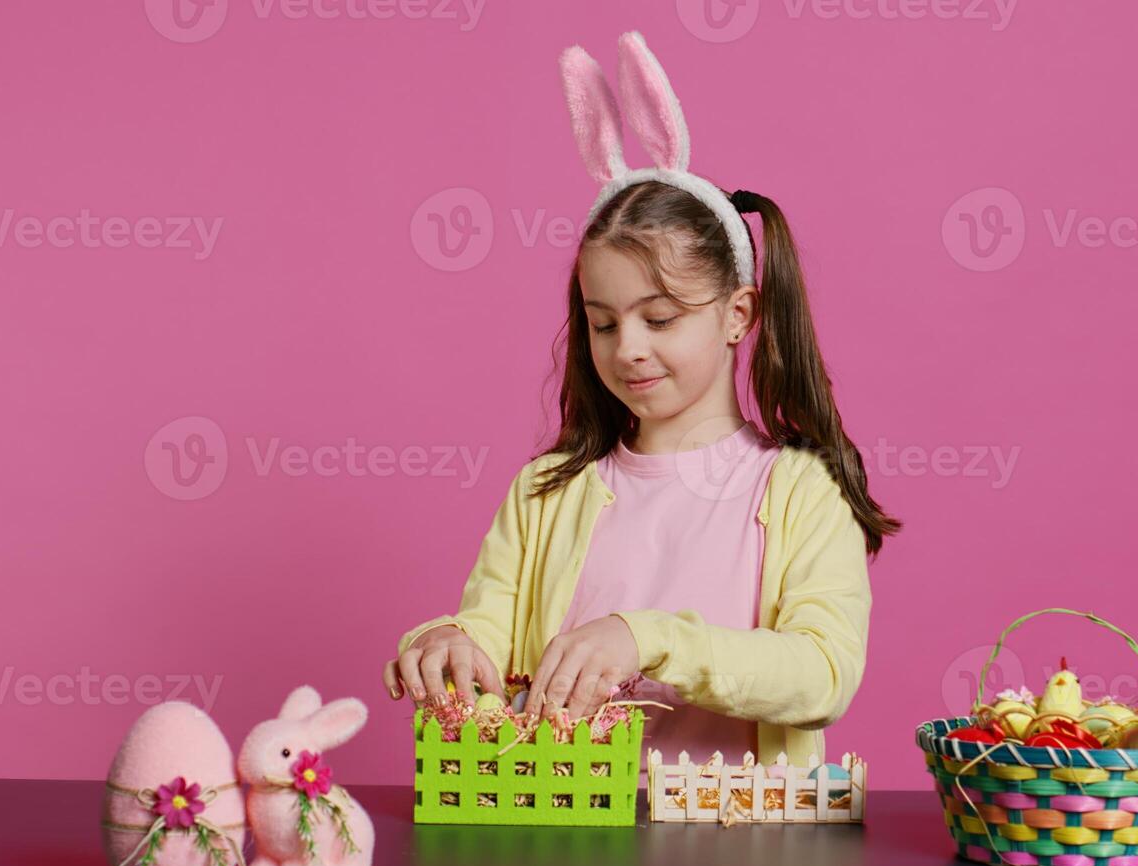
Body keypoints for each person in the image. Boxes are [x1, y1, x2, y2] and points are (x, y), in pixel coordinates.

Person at [382, 31, 898, 766]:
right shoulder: (545, 491)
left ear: (737, 315)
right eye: (603, 322)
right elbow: (489, 632)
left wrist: (648, 637)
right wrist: (450, 644)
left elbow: (823, 674)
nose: (627, 347)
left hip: (745, 859)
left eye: (659, 319)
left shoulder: (799, 491)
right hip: (568, 845)